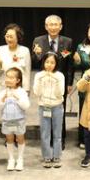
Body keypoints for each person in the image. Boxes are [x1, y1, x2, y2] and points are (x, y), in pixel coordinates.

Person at [31, 15, 73, 149]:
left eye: (56, 25)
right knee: (45, 110)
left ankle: (60, 139)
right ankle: (47, 139)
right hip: (44, 81)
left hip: (60, 82)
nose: (53, 27)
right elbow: (34, 62)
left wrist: (69, 83)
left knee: (60, 111)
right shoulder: (38, 40)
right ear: (46, 26)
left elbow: (69, 64)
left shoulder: (67, 42)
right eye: (51, 24)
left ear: (60, 27)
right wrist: (37, 54)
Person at [33, 52, 65, 168]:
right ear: (43, 63)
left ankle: (57, 156)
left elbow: (60, 93)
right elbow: (36, 93)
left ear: (56, 64)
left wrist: (55, 80)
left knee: (57, 133)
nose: (49, 65)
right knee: (45, 133)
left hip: (57, 106)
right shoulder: (39, 75)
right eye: (47, 62)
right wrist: (41, 80)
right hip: (44, 106)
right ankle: (46, 156)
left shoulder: (60, 76)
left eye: (52, 62)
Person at [0, 67, 30, 171]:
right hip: (7, 120)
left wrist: (17, 98)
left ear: (18, 80)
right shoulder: (3, 92)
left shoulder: (22, 92)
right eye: (7, 77)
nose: (8, 79)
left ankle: (20, 159)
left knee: (20, 139)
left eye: (11, 78)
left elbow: (26, 106)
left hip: (19, 120)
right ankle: (11, 159)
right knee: (9, 139)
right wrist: (2, 99)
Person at [0, 23, 31, 94]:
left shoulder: (25, 50)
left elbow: (27, 72)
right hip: (4, 87)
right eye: (7, 36)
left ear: (18, 37)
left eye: (11, 37)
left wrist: (27, 90)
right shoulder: (0, 49)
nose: (9, 39)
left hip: (20, 88)